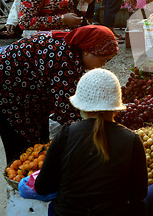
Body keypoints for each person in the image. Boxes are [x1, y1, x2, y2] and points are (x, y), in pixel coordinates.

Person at [35, 68, 153, 216]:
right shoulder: (131, 140)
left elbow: (41, 188)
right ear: (115, 108)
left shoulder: (65, 134)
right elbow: (139, 194)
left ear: (82, 107)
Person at [0, 25, 118, 163]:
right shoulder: (63, 58)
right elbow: (66, 110)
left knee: (38, 143)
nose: (103, 65)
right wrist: (90, 135)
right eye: (102, 60)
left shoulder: (73, 48)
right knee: (22, 150)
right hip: (9, 95)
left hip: (28, 92)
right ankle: (18, 181)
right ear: (88, 51)